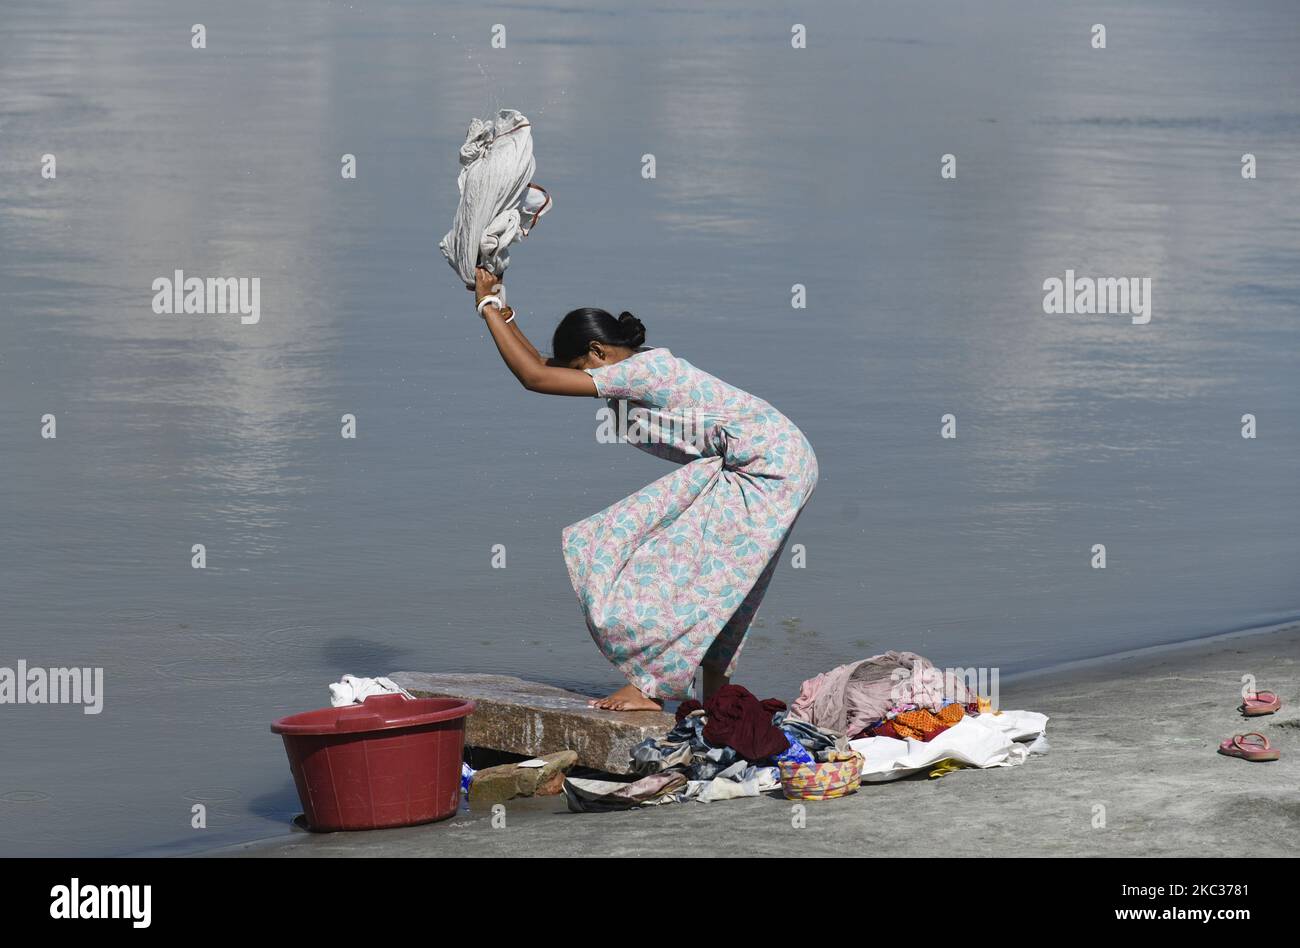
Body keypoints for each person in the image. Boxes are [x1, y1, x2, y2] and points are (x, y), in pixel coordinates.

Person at [472, 267, 818, 710]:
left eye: (584, 370)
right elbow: (542, 364)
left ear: (597, 350)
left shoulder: (639, 372)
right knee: (728, 576)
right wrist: (500, 307)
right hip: (771, 458)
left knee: (681, 569)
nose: (586, 382)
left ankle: (651, 685)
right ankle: (713, 698)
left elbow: (535, 379)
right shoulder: (640, 361)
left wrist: (485, 310)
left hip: (765, 467)